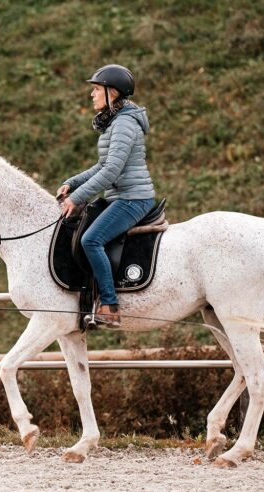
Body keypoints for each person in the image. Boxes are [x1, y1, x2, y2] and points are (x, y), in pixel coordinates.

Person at [57, 64, 156, 328]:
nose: (92, 95)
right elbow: (102, 166)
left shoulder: (123, 124)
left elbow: (112, 171)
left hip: (132, 199)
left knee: (91, 240)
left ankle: (110, 306)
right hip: (119, 196)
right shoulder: (115, 122)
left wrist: (77, 198)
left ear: (112, 93)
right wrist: (72, 183)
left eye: (96, 90)